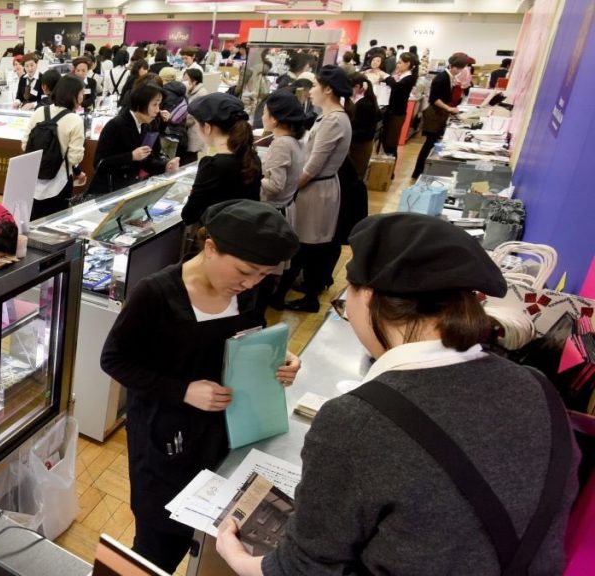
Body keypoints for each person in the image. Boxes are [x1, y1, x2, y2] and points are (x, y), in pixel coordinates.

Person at [217, 213, 578, 576]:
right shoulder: (536, 386)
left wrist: (238, 558)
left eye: (345, 298)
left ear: (368, 296)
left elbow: (303, 569)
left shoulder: (356, 421)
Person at [101, 200, 302, 574]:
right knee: (158, 545)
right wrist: (183, 390)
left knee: (206, 532)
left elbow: (248, 333)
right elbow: (114, 360)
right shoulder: (155, 294)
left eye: (263, 275)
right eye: (245, 271)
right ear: (210, 247)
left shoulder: (248, 291)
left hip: (227, 431)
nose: (251, 283)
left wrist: (279, 353)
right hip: (165, 438)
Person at [272, 66, 353, 313]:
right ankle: (293, 294)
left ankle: (301, 297)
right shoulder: (328, 117)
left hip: (316, 190)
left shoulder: (334, 120)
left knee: (306, 244)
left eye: (315, 86)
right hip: (316, 188)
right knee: (306, 244)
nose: (311, 91)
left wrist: (288, 189)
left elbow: (313, 166)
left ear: (328, 89)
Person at [181, 93, 262, 231]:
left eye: (197, 124)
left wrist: (193, 195)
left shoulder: (212, 165)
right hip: (246, 233)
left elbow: (189, 215)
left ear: (207, 127)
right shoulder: (252, 157)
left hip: (219, 236)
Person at [90, 83, 181, 196]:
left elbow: (147, 160)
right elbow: (99, 163)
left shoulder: (146, 125)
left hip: (130, 188)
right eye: (154, 105)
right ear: (140, 104)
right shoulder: (115, 125)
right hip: (109, 192)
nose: (158, 110)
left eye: (159, 105)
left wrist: (165, 166)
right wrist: (131, 156)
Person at [22, 75, 87, 220]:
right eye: (81, 93)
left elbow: (25, 144)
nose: (83, 97)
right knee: (55, 223)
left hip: (33, 179)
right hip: (59, 182)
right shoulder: (75, 120)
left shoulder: (39, 111)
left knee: (32, 222)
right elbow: (74, 158)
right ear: (73, 95)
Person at [413, 53, 467, 178]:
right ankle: (418, 172)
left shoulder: (449, 77)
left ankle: (421, 171)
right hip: (434, 114)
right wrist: (449, 108)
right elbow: (435, 99)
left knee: (431, 144)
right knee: (429, 144)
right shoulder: (442, 78)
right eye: (459, 69)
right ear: (453, 67)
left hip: (439, 113)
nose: (459, 72)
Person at [260, 90, 307, 228]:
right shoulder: (293, 140)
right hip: (284, 207)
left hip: (272, 213)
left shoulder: (281, 144)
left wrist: (255, 176)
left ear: (274, 119)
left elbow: (275, 186)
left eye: (264, 113)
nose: (262, 117)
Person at [380, 52, 419, 161]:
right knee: (386, 138)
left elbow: (396, 86)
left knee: (391, 141)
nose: (397, 65)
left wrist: (385, 76)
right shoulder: (401, 75)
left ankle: (390, 165)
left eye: (400, 63)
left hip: (397, 112)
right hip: (392, 110)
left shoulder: (409, 78)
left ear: (407, 64)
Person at [348, 73, 379, 180]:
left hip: (360, 145)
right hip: (360, 143)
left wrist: (347, 132)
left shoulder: (364, 104)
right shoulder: (366, 100)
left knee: (355, 176)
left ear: (357, 87)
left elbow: (366, 130)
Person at [181, 68, 211, 165]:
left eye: (186, 79)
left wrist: (180, 121)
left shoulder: (201, 94)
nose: (184, 82)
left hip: (194, 131)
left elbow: (193, 116)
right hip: (189, 130)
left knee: (190, 159)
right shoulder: (190, 91)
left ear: (194, 81)